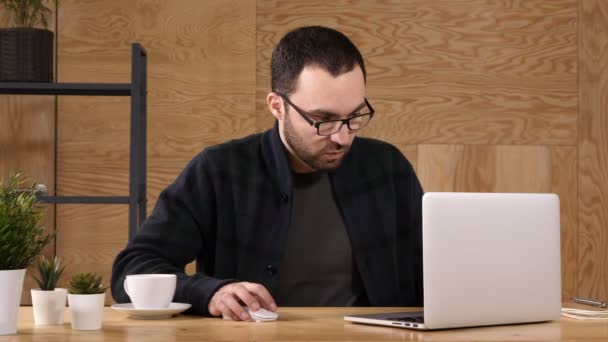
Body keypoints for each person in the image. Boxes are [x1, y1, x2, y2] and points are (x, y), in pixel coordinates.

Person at [111, 25, 423, 321]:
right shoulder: (221, 171)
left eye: (354, 116)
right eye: (322, 119)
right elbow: (133, 270)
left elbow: (436, 271)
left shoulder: (388, 168)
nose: (342, 137)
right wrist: (211, 293)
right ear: (277, 106)